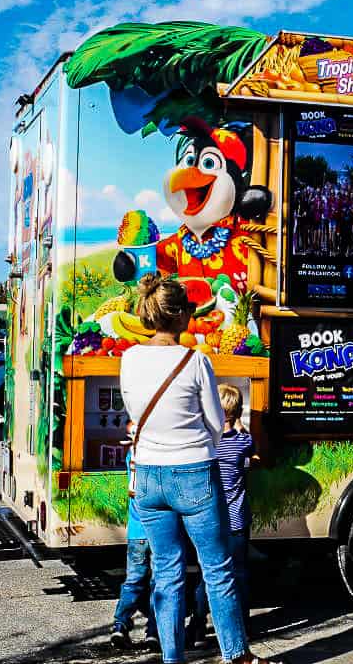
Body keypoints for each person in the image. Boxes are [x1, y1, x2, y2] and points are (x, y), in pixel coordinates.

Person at [120, 273, 279, 664]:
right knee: (217, 570)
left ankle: (172, 658)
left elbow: (133, 413)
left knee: (166, 572)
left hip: (149, 475)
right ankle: (236, 656)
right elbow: (215, 423)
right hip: (193, 474)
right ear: (181, 315)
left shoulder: (129, 358)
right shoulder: (195, 360)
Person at [189, 383, 257, 647]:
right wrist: (238, 423)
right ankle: (242, 628)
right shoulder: (242, 442)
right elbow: (251, 447)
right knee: (239, 574)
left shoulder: (203, 442)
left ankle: (197, 626)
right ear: (237, 411)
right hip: (236, 520)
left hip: (208, 519)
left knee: (207, 574)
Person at [111, 443, 160, 651]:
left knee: (133, 581)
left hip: (137, 532)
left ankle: (120, 624)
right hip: (160, 533)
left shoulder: (133, 454)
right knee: (159, 583)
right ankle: (153, 631)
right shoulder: (165, 456)